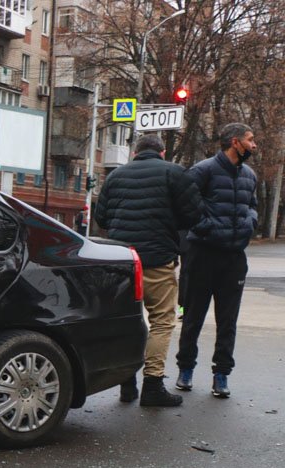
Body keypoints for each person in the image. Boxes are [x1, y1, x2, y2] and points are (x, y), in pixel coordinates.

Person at [93, 133, 202, 406]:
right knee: (162, 322)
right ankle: (153, 385)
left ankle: (126, 382)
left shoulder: (115, 176)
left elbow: (102, 217)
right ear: (163, 152)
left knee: (126, 320)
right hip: (157, 260)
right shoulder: (175, 174)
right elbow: (193, 215)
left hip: (121, 261)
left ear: (134, 153)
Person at [175, 123, 258, 399]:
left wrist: (250, 223)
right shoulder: (204, 170)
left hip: (234, 259)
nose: (254, 145)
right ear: (235, 142)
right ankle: (185, 370)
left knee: (228, 321)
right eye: (250, 140)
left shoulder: (249, 175)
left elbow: (253, 207)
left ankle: (221, 375)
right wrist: (206, 226)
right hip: (203, 254)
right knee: (193, 316)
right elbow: (184, 204)